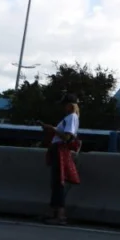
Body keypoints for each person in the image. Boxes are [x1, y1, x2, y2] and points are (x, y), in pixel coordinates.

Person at [39, 94, 82, 225]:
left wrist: (52, 129)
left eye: (65, 104)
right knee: (56, 182)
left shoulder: (72, 117)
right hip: (57, 149)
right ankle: (53, 212)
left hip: (60, 150)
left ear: (70, 105)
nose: (63, 107)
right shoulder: (68, 118)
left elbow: (67, 137)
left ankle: (60, 215)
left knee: (58, 182)